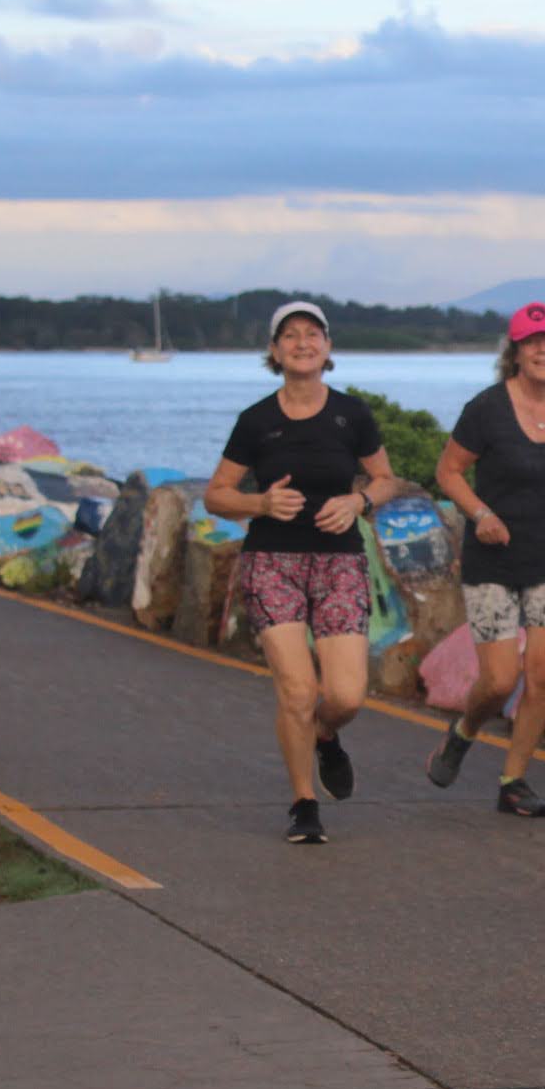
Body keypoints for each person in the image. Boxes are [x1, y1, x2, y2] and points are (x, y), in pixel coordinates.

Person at [205, 301, 397, 845]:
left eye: (313, 334)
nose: (302, 343)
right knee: (296, 689)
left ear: (327, 348)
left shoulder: (351, 415)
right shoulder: (256, 421)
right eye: (290, 336)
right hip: (272, 564)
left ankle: (327, 735)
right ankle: (303, 802)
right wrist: (261, 505)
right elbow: (216, 495)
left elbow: (385, 479)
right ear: (275, 351)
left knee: (346, 695)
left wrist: (358, 502)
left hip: (339, 562)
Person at [424, 302, 545, 818]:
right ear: (515, 353)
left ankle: (514, 781)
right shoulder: (486, 408)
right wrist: (480, 514)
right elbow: (449, 472)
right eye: (532, 343)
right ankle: (464, 731)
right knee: (500, 680)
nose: (543, 350)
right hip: (493, 557)